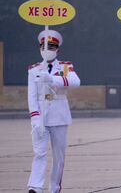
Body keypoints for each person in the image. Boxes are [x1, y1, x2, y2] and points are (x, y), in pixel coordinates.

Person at [27, 30, 81, 193]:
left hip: (59, 116)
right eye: (44, 46)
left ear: (57, 49)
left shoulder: (65, 67)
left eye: (51, 47)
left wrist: (53, 79)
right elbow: (32, 95)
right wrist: (35, 118)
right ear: (40, 48)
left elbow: (76, 82)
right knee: (39, 153)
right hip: (41, 117)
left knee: (59, 157)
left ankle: (55, 187)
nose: (47, 49)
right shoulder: (34, 69)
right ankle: (35, 186)